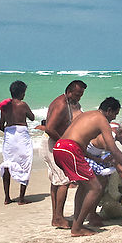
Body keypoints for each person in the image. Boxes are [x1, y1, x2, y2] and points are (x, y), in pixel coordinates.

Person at [52, 97, 122, 236]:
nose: (114, 118)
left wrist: (94, 158)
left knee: (86, 186)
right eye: (115, 114)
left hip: (59, 147)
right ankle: (77, 228)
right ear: (109, 111)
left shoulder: (87, 115)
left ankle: (79, 222)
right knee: (96, 188)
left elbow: (80, 142)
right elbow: (114, 151)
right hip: (70, 149)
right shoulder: (102, 120)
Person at [42, 80, 86, 229]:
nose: (79, 97)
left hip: (55, 143)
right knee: (64, 181)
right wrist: (63, 143)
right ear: (68, 91)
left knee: (56, 180)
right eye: (77, 94)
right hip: (52, 143)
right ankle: (59, 218)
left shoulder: (69, 103)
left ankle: (56, 217)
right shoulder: (61, 104)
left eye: (81, 95)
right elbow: (49, 128)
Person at [0, 80, 35, 205]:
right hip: (21, 135)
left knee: (7, 164)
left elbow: (0, 126)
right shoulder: (23, 104)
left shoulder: (4, 106)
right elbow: (32, 117)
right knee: (25, 163)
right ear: (21, 93)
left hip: (9, 136)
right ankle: (21, 198)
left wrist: (9, 131)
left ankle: (7, 198)